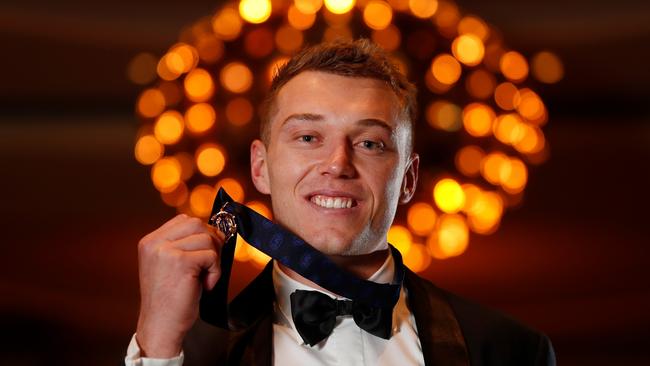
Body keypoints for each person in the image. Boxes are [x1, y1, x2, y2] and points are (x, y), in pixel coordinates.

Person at [125, 39, 556, 366]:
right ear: (260, 167)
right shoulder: (183, 350)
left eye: (370, 142)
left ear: (407, 179)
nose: (338, 164)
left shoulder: (512, 350)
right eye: (309, 137)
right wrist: (158, 346)